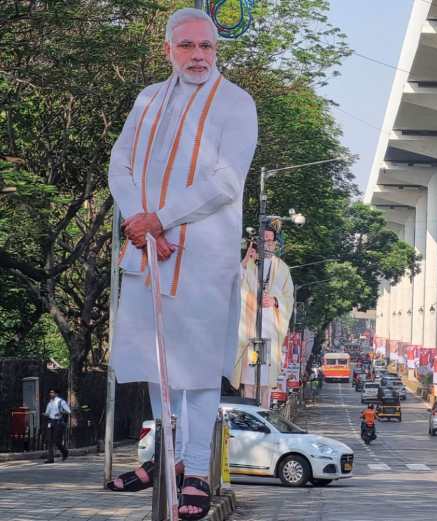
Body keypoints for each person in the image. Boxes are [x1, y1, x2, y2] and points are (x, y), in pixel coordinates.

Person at [106, 8, 257, 520]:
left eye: (206, 47)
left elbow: (225, 181)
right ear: (169, 49)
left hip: (202, 253)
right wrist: (138, 220)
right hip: (148, 248)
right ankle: (163, 458)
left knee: (194, 367)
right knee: (156, 360)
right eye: (187, 46)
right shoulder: (148, 98)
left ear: (217, 50)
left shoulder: (237, 103)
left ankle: (193, 471)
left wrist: (160, 219)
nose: (197, 56)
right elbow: (120, 162)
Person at [230, 226, 294, 407]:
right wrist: (245, 259)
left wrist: (274, 300)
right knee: (250, 380)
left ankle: (263, 414)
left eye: (270, 240)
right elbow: (234, 283)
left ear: (275, 243)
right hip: (250, 332)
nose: (267, 244)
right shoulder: (249, 264)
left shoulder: (282, 268)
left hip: (269, 330)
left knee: (265, 381)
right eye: (263, 240)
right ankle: (249, 413)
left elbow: (289, 298)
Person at [43, 389, 71, 463]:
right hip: (50, 422)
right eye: (50, 392)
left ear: (56, 394)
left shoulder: (61, 402)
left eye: (52, 393)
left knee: (57, 441)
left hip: (58, 422)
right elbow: (47, 413)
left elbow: (68, 411)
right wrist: (45, 414)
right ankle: (50, 459)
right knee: (49, 440)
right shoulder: (49, 403)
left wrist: (61, 412)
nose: (50, 394)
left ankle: (65, 452)